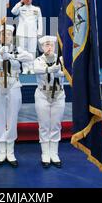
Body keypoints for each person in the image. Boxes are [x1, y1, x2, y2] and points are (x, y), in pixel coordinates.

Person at [0, 24, 33, 168]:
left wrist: (12, 56)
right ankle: (1, 151)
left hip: (13, 83)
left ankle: (11, 151)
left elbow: (30, 57)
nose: (5, 36)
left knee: (12, 117)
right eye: (2, 33)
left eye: (8, 34)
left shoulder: (17, 49)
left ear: (12, 36)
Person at [33, 36, 65, 168]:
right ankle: (45, 153)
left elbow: (70, 72)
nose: (49, 47)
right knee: (44, 125)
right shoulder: (38, 60)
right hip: (43, 94)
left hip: (58, 94)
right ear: (42, 47)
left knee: (56, 124)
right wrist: (49, 70)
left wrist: (61, 73)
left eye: (51, 44)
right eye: (46, 45)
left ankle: (54, 153)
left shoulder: (61, 59)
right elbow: (36, 70)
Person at [11, 0, 43, 74]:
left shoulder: (36, 9)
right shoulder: (20, 8)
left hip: (32, 33)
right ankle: (25, 68)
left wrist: (39, 32)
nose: (28, 0)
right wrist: (20, 2)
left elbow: (40, 21)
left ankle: (31, 68)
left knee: (32, 51)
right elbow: (13, 12)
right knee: (23, 51)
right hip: (22, 33)